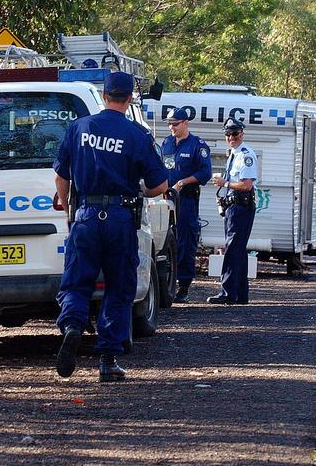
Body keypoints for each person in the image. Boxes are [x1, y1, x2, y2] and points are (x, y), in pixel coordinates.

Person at [53, 71, 169, 382]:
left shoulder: (78, 128)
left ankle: (74, 326)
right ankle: (107, 360)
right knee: (119, 288)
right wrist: (139, 191)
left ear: (104, 96)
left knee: (77, 282)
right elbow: (160, 185)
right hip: (120, 218)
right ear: (129, 99)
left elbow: (61, 176)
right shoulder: (138, 135)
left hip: (86, 216)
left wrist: (67, 209)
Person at [161, 108, 212, 303]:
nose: (171, 127)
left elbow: (204, 173)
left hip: (186, 201)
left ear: (185, 123)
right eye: (169, 124)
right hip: (166, 199)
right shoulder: (166, 143)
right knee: (165, 240)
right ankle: (166, 282)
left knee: (185, 242)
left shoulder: (197, 146)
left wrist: (183, 182)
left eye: (175, 124)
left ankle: (183, 285)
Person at [207, 118, 258, 304]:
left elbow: (246, 185)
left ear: (242, 133)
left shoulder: (245, 155)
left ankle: (227, 293)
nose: (231, 137)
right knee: (238, 249)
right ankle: (241, 295)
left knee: (232, 249)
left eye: (235, 134)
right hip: (233, 207)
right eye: (228, 134)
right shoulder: (233, 154)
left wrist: (225, 183)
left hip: (241, 207)